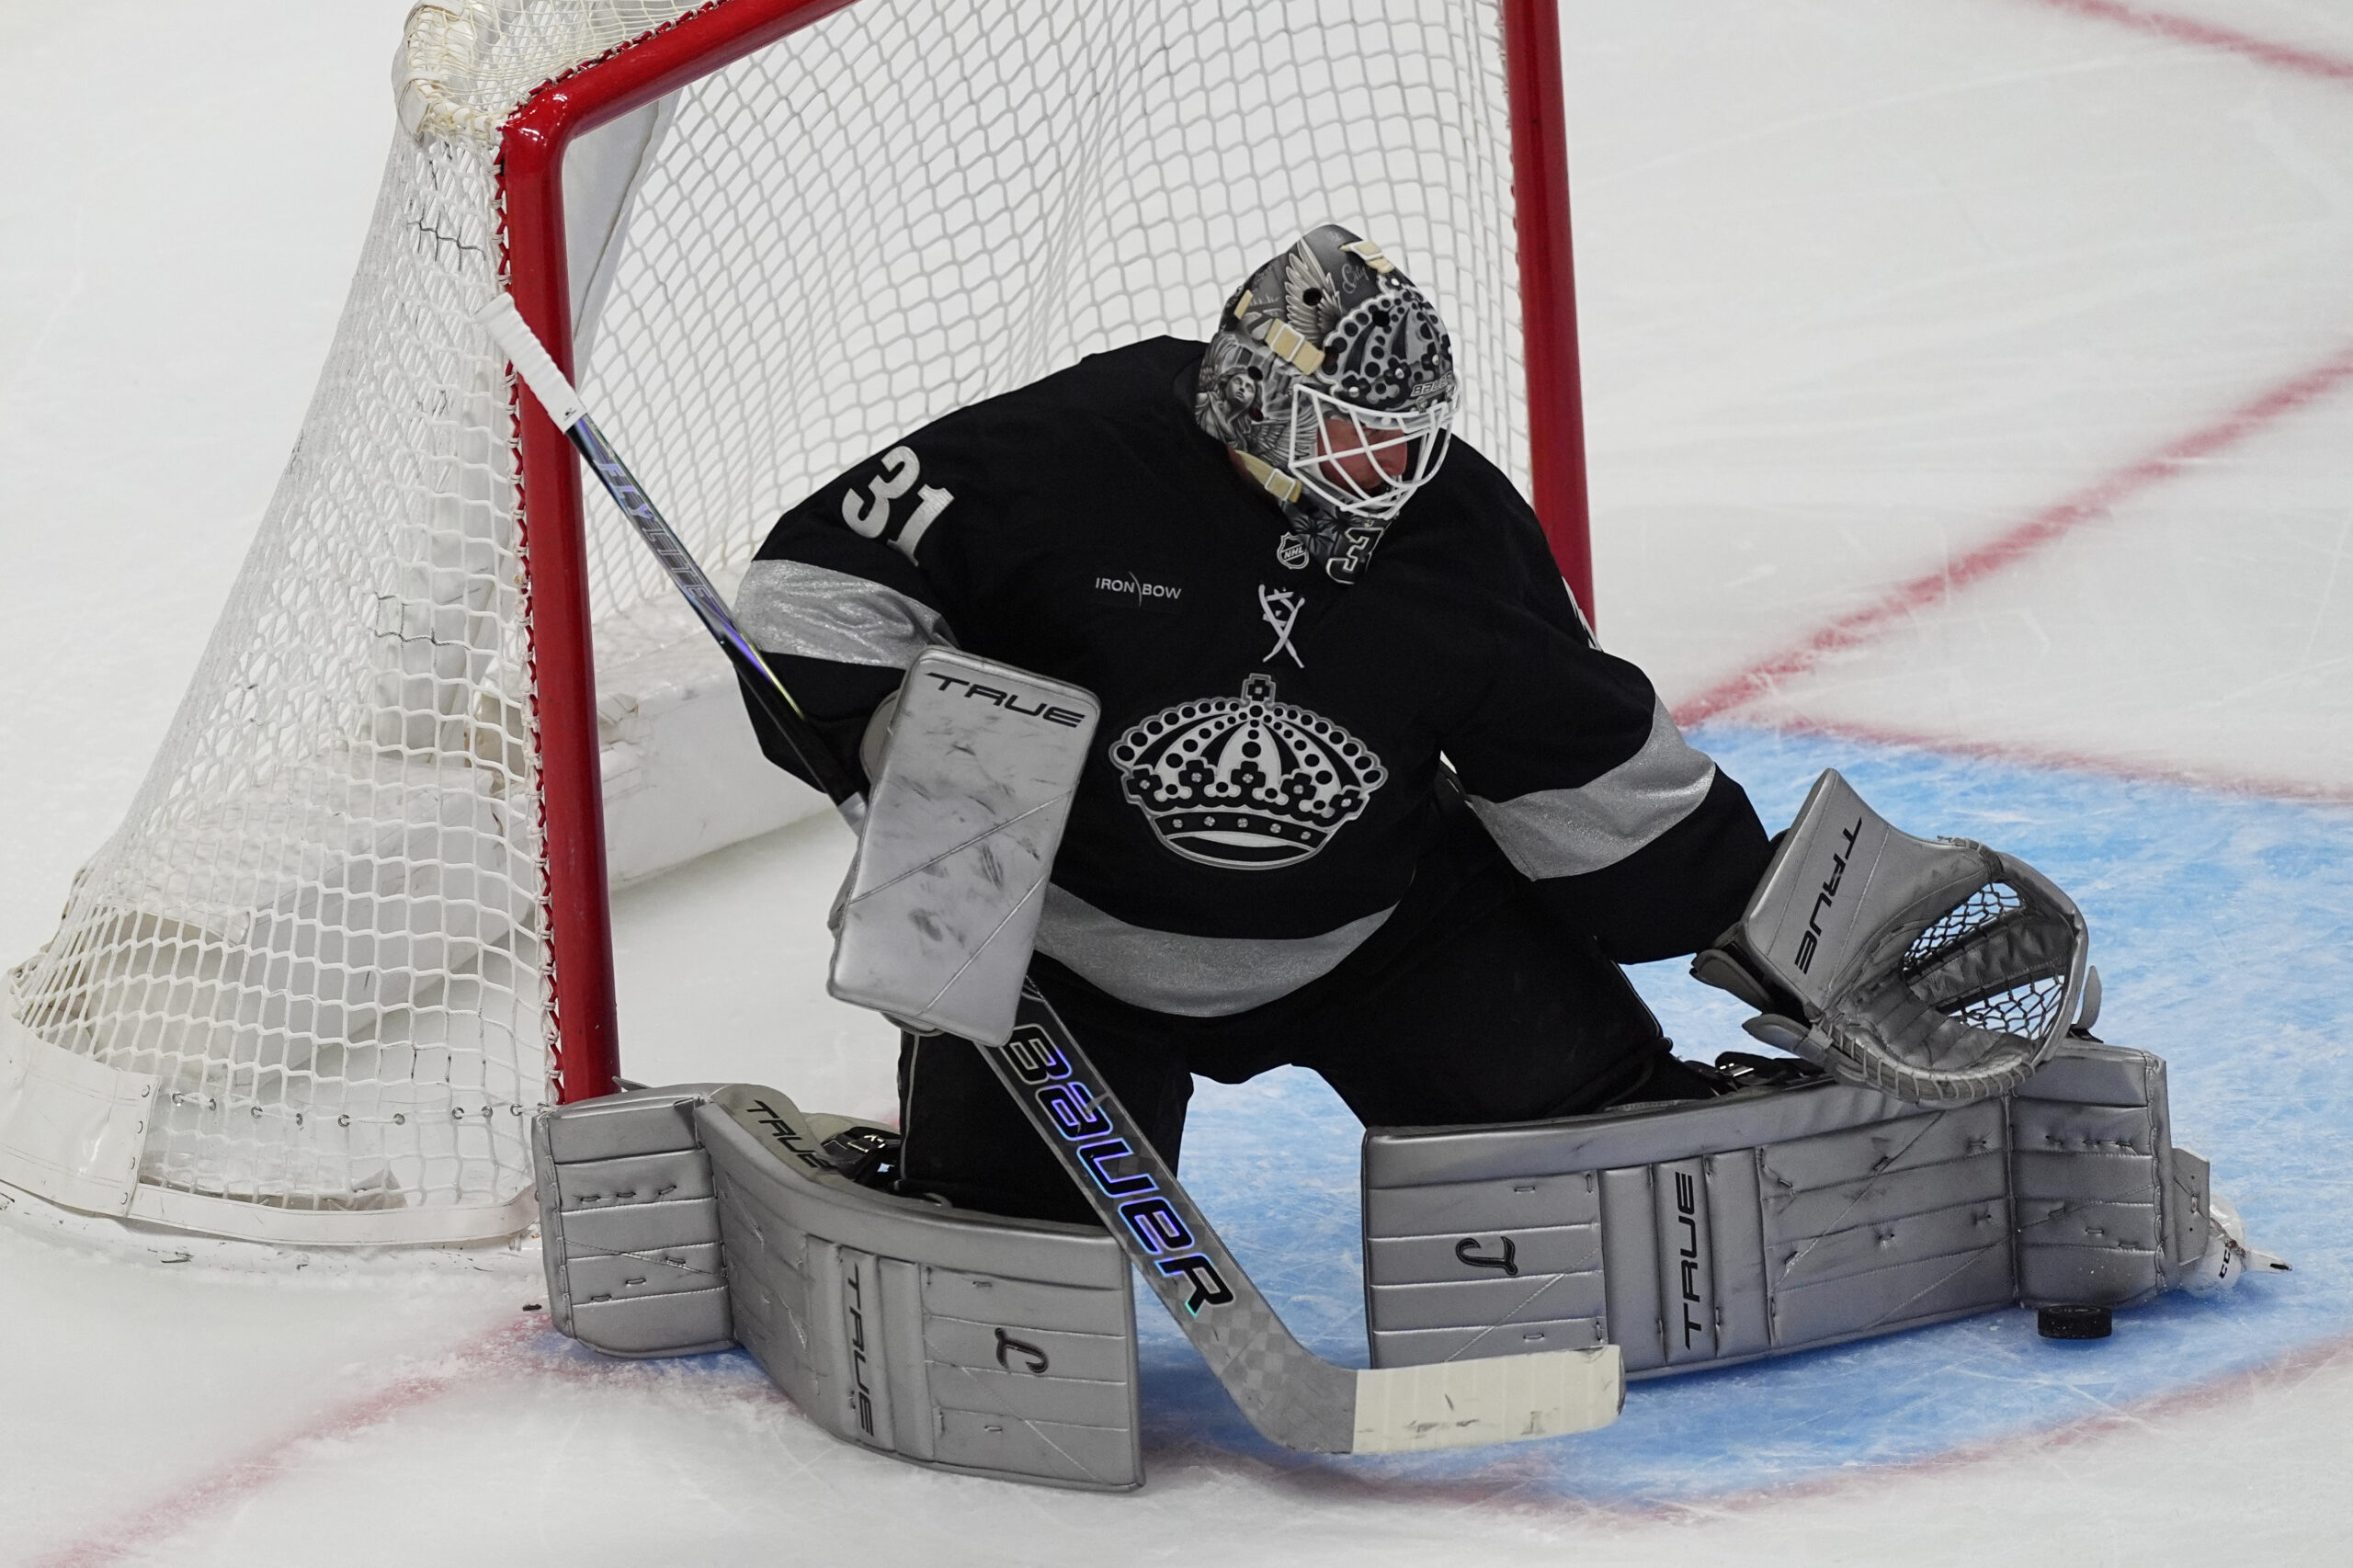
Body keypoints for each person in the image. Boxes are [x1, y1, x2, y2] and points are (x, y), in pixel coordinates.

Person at [732, 225, 1773, 1224]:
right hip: (1063, 954)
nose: (1384, 475)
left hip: (1381, 935)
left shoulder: (1454, 521)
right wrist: (919, 778)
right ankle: (953, 1181)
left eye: (1404, 440)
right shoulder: (1063, 453)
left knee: (1611, 1170)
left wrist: (1760, 926)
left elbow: (1572, 753)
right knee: (1004, 1251)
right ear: (1251, 390)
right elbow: (808, 588)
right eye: (1348, 433)